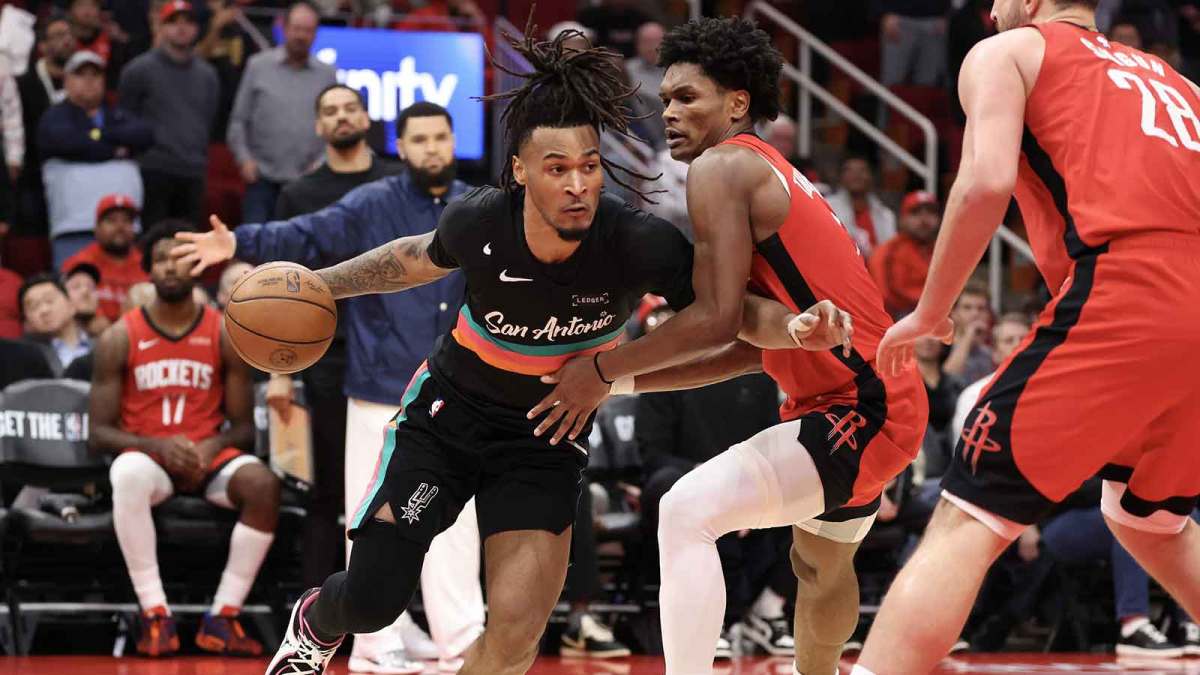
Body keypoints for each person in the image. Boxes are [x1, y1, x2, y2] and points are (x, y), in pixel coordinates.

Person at [245, 25, 827, 675]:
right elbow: (412, 259)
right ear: (521, 172)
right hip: (447, 421)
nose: (578, 183)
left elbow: (733, 313)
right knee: (374, 598)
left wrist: (798, 326)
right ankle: (312, 623)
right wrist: (320, 285)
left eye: (589, 166)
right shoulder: (480, 219)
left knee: (518, 633)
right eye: (557, 169)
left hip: (546, 437)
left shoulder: (639, 243)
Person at [534, 17, 926, 675]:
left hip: (859, 405)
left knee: (687, 511)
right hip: (877, 397)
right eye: (664, 100)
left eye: (688, 97)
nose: (670, 112)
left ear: (737, 103)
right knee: (821, 561)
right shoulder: (777, 173)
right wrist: (620, 383)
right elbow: (748, 345)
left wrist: (600, 367)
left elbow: (716, 320)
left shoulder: (722, 166)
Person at [857, 0, 1200, 671]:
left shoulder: (1007, 52)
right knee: (1148, 520)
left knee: (967, 514)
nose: (988, 10)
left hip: (1131, 287)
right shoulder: (1179, 83)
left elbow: (984, 182)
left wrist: (931, 310)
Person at [174, 101, 482, 673]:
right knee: (372, 523)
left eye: (441, 137)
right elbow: (303, 234)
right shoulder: (372, 203)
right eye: (420, 139)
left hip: (456, 391)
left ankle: (463, 643)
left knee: (457, 526)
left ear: (452, 140)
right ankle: (372, 646)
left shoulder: (475, 207)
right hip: (377, 389)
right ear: (402, 147)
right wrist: (236, 243)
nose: (432, 149)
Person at [87, 220, 282, 658]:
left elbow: (244, 428)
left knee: (263, 485)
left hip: (205, 456)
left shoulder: (224, 332)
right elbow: (97, 434)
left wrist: (210, 447)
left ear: (197, 266)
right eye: (160, 260)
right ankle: (156, 614)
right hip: (150, 458)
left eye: (179, 258)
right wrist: (158, 447)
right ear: (148, 272)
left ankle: (223, 617)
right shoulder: (120, 337)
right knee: (127, 473)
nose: (170, 268)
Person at [38, 51, 151, 268]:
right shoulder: (54, 116)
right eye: (81, 74)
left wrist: (96, 135)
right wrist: (114, 146)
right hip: (75, 225)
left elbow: (144, 135)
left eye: (95, 74)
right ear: (67, 81)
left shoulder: (117, 113)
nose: (89, 80)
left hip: (125, 227)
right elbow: (66, 142)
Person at [226, 1, 336, 224]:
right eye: (296, 28)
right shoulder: (257, 66)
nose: (301, 36)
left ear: (316, 34)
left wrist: (322, 162)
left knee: (301, 254)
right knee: (256, 251)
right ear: (284, 28)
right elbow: (238, 121)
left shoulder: (327, 74)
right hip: (261, 180)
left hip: (306, 182)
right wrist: (244, 160)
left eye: (307, 30)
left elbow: (333, 127)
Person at [119, 1, 219, 227]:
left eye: (187, 22)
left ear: (196, 29)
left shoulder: (208, 75)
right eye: (173, 22)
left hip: (193, 170)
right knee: (153, 240)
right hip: (153, 170)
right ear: (161, 27)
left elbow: (208, 118)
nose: (181, 28)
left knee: (190, 242)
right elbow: (125, 118)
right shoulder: (138, 70)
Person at [11, 14, 76, 275]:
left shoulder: (84, 79)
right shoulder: (23, 84)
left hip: (71, 175)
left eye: (69, 35)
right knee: (31, 238)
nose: (67, 41)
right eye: (58, 35)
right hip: (33, 177)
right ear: (42, 45)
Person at [61, 193, 150, 322]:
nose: (120, 227)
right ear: (97, 228)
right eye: (111, 220)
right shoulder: (79, 263)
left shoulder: (146, 264)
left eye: (126, 221)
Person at [869, 190, 941, 317]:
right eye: (915, 213)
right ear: (902, 219)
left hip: (936, 317)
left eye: (930, 213)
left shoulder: (942, 251)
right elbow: (885, 297)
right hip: (897, 318)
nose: (924, 220)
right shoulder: (887, 252)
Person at [18, 272, 92, 374]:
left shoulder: (103, 346)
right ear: (27, 322)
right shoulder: (24, 357)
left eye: (49, 301)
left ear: (71, 305)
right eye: (34, 306)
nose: (44, 310)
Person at [825, 154, 897, 258]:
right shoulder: (827, 206)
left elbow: (890, 252)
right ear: (840, 176)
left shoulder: (886, 215)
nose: (856, 175)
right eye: (850, 170)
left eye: (862, 170)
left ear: (871, 176)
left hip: (875, 270)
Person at [63, 261, 110, 337]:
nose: (85, 291)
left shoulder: (108, 335)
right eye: (76, 286)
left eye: (91, 287)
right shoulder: (49, 340)